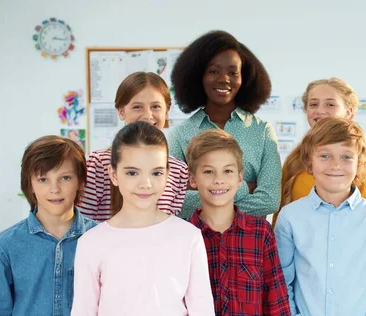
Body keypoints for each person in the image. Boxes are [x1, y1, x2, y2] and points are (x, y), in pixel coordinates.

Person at [71, 121, 214, 315]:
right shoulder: (91, 243)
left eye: (156, 173)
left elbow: (202, 309)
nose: (145, 183)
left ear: (167, 175)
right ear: (113, 174)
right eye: (132, 172)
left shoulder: (189, 237)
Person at [275, 117, 366, 315]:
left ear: (359, 163)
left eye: (346, 157)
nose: (336, 165)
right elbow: (281, 281)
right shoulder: (290, 216)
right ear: (309, 163)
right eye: (325, 156)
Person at [0, 136, 97, 315]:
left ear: (80, 181)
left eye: (65, 178)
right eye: (42, 179)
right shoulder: (7, 245)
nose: (54, 189)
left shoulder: (99, 238)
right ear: (29, 184)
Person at [169, 30, 280, 219]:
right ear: (198, 76)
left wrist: (208, 195)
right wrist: (246, 187)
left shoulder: (262, 131)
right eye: (213, 71)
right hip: (199, 241)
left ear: (244, 78)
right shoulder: (181, 134)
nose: (224, 79)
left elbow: (270, 200)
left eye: (232, 72)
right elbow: (175, 201)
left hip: (249, 242)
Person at [186, 129, 291, 315]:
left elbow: (276, 303)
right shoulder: (183, 237)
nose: (219, 180)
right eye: (209, 171)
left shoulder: (261, 233)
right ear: (193, 179)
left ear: (240, 178)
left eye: (228, 171)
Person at [78, 72, 188, 220]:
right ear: (121, 111)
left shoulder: (179, 170)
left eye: (156, 106)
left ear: (167, 111)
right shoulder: (99, 162)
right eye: (137, 107)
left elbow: (170, 224)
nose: (148, 115)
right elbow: (83, 221)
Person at [273, 77, 366, 226]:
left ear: (349, 112)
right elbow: (280, 219)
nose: (320, 110)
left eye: (330, 104)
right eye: (313, 104)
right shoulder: (294, 161)